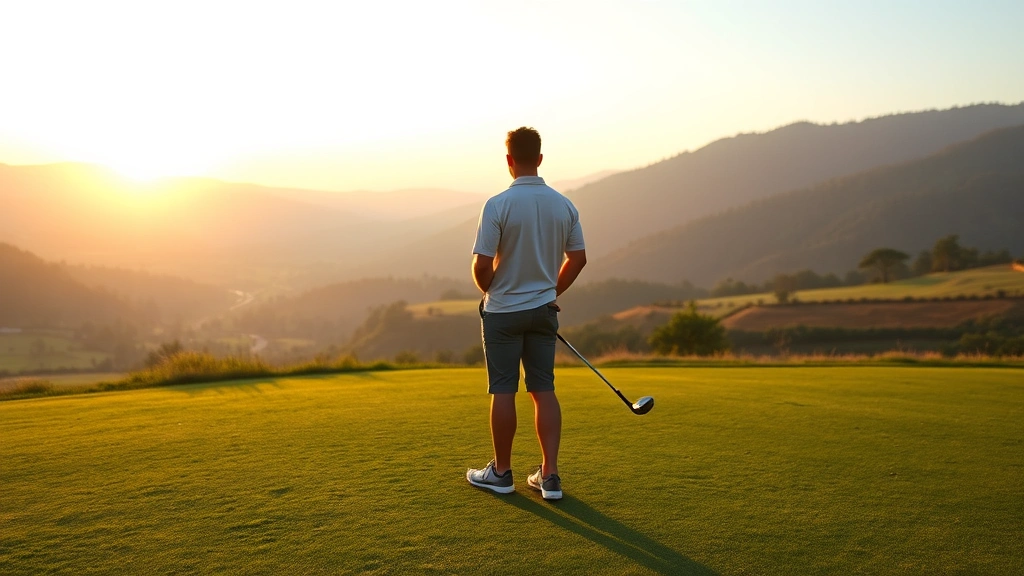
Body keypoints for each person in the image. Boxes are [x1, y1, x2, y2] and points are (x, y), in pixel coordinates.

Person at [465, 127, 587, 500]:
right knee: (543, 388)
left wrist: (491, 292)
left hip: (503, 313)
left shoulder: (498, 204)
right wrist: (551, 293)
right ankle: (549, 477)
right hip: (543, 312)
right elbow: (578, 259)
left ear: (508, 161)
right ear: (539, 158)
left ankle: (501, 473)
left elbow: (481, 265)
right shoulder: (564, 204)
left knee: (503, 389)